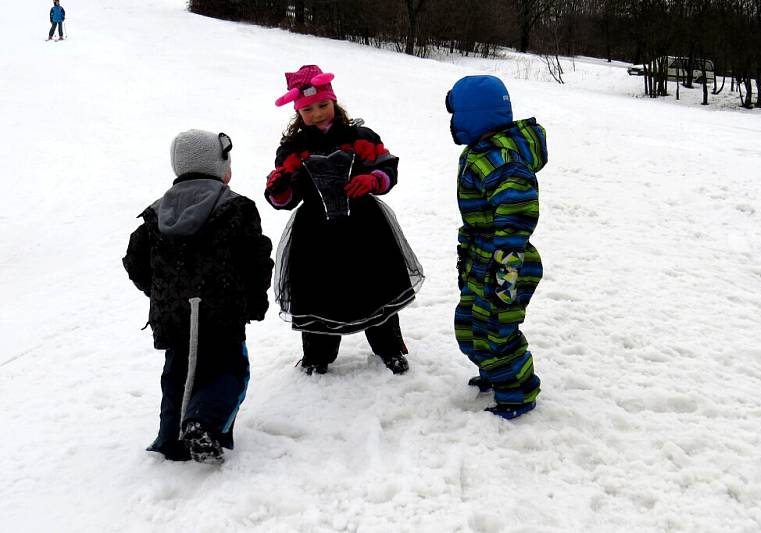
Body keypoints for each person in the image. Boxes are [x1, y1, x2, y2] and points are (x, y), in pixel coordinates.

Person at [123, 130, 273, 463]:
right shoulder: (236, 208)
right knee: (230, 370)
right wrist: (254, 302)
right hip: (221, 310)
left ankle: (169, 441)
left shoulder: (157, 212)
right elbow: (256, 259)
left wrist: (159, 293)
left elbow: (135, 260)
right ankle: (203, 424)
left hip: (172, 313)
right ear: (222, 168)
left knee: (177, 373)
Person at [265, 64, 424, 376]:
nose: (318, 113)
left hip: (364, 228)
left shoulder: (359, 137)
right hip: (315, 233)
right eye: (308, 109)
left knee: (375, 286)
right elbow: (286, 198)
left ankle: (389, 347)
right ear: (299, 113)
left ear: (334, 102)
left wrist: (373, 179)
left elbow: (386, 167)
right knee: (319, 292)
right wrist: (279, 189)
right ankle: (317, 356)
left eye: (323, 105)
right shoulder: (293, 149)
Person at [445, 75, 548, 419]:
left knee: (496, 332)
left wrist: (505, 269)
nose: (453, 122)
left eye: (456, 114)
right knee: (469, 323)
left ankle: (518, 394)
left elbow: (517, 210)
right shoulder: (481, 153)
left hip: (508, 262)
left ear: (473, 116)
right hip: (483, 259)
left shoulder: (500, 160)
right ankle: (495, 371)